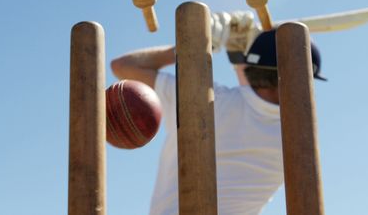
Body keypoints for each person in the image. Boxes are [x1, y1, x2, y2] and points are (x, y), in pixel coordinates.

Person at [110, 29, 326, 215]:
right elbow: (256, 97)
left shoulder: (205, 100)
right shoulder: (298, 138)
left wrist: (197, 43)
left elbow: (123, 66)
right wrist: (241, 56)